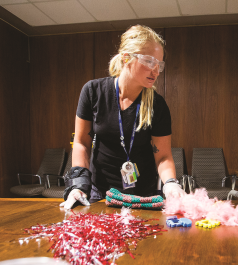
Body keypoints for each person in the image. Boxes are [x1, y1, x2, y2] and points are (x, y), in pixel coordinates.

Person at [61, 25, 185, 209]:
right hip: (101, 193)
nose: (156, 71)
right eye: (150, 61)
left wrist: (171, 184)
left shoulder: (157, 105)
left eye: (159, 64)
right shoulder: (93, 91)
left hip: (142, 196)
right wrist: (78, 184)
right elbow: (81, 143)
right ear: (126, 57)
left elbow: (163, 156)